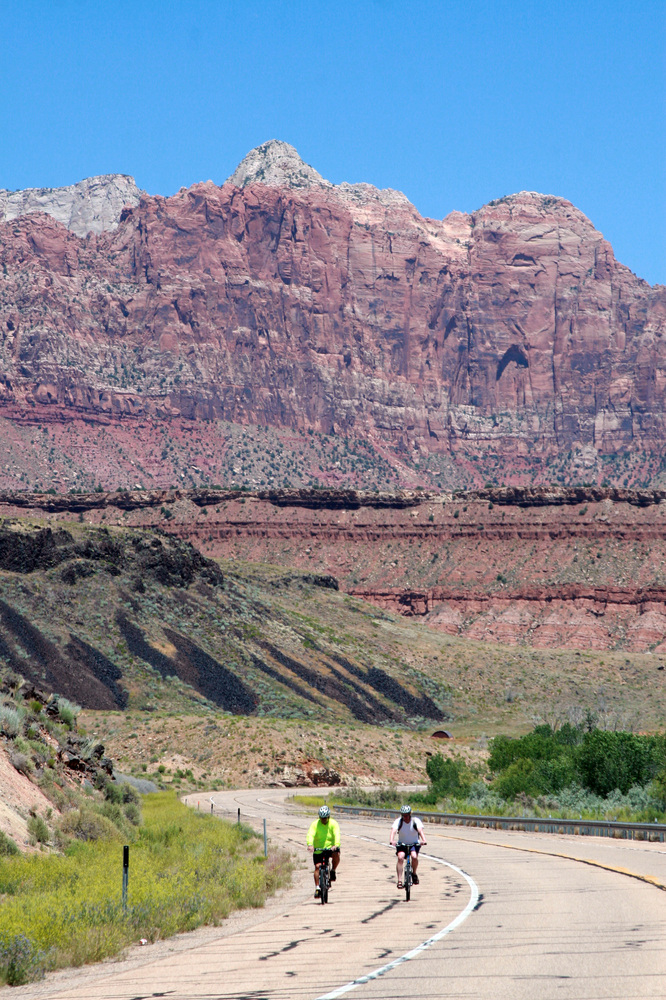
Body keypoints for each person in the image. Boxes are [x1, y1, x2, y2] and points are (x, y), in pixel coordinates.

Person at [306, 804, 341, 898]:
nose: (323, 820)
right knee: (317, 867)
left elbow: (337, 834)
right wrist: (310, 845)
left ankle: (333, 870)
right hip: (318, 848)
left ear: (328, 817)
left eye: (325, 818)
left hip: (330, 847)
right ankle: (317, 888)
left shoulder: (333, 823)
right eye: (322, 818)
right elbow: (310, 834)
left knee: (336, 854)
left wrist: (336, 845)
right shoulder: (315, 824)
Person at [390, 804, 426, 889]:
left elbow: (420, 830)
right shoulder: (398, 821)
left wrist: (424, 840)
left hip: (414, 843)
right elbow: (393, 831)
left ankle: (414, 873)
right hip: (402, 844)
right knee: (400, 857)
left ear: (410, 814)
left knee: (414, 856)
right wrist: (392, 840)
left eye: (406, 815)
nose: (405, 817)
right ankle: (399, 880)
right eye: (403, 815)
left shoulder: (415, 821)